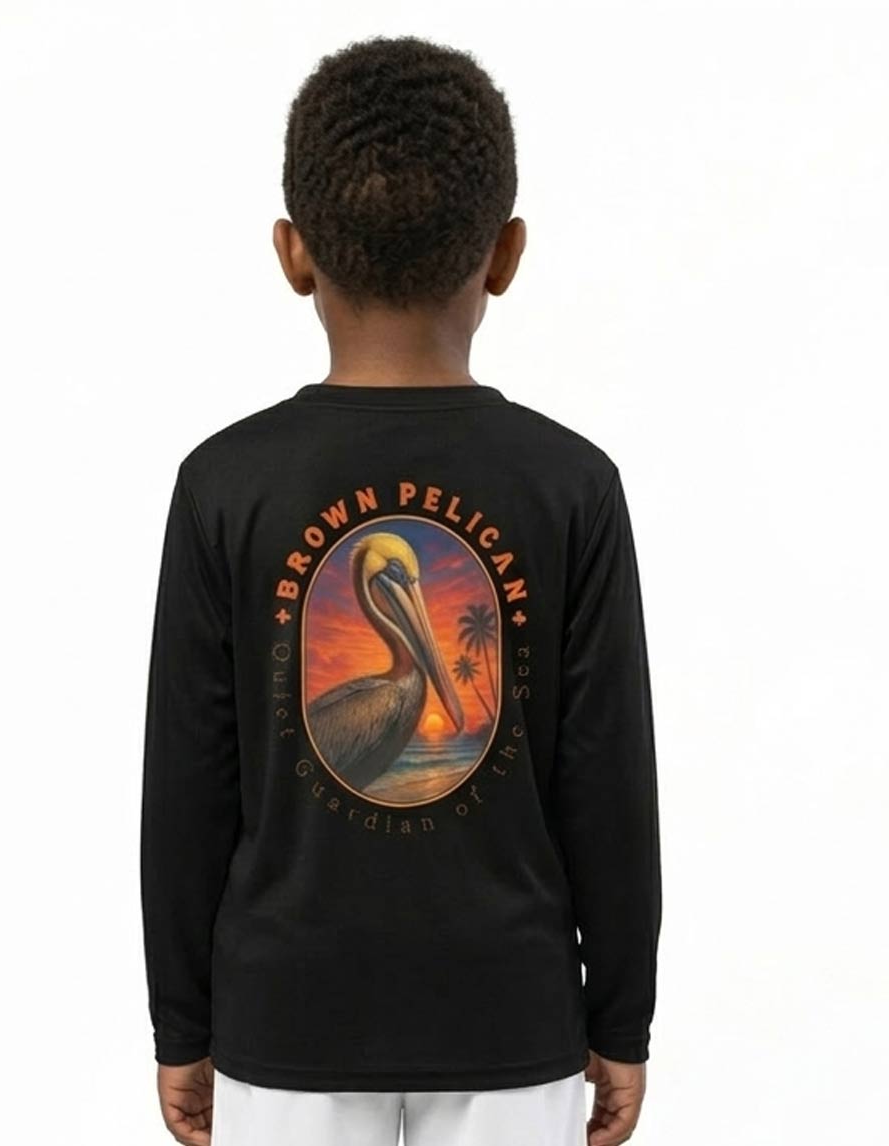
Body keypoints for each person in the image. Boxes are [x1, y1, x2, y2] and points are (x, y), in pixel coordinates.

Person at [140, 33, 662, 1146]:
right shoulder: (570, 484)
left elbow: (186, 784)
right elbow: (608, 784)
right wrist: (621, 1017)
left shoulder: (226, 483)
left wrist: (181, 1024)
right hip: (510, 1017)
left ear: (293, 252)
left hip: (286, 1022)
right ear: (505, 253)